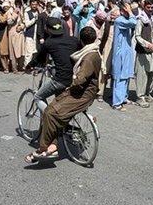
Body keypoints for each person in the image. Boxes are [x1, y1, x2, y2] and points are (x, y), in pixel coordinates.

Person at [26, 26, 102, 162]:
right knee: (55, 108)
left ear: (81, 40)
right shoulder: (93, 52)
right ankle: (53, 142)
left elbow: (80, 79)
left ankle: (46, 148)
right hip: (82, 92)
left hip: (82, 94)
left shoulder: (88, 57)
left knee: (49, 112)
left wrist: (72, 83)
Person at [27, 17, 80, 113]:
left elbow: (39, 59)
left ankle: (49, 118)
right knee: (59, 101)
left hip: (61, 80)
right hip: (75, 78)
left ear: (47, 29)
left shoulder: (49, 43)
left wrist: (29, 66)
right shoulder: (74, 40)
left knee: (38, 97)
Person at [109, 3, 138, 110]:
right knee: (120, 77)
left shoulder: (125, 19)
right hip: (120, 53)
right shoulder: (119, 20)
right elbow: (133, 22)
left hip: (126, 51)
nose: (129, 12)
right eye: (127, 10)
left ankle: (124, 97)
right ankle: (117, 102)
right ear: (122, 11)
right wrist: (130, 12)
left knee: (126, 76)